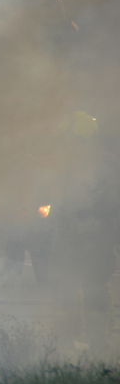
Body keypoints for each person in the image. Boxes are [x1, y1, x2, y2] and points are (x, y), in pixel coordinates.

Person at [48, 111, 120, 355]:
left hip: (95, 241)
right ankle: (67, 340)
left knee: (95, 290)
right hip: (70, 239)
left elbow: (113, 206)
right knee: (65, 288)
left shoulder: (108, 167)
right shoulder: (67, 167)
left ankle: (98, 343)